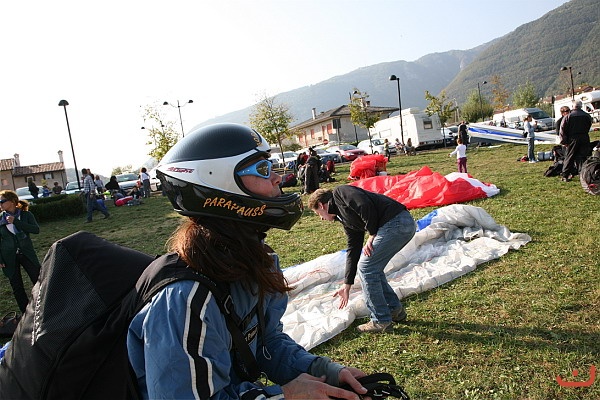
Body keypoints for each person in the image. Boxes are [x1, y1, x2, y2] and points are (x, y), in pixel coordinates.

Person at [127, 123, 368, 399]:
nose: (277, 178)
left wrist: (322, 371)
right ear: (218, 185)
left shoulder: (257, 261)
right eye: (263, 169)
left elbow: (264, 341)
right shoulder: (185, 299)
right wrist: (285, 396)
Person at [308, 185, 416, 333]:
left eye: (318, 213)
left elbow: (364, 204)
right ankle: (394, 310)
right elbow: (353, 249)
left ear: (321, 205)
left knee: (367, 268)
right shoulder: (345, 218)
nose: (321, 218)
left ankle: (380, 320)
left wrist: (372, 234)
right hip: (400, 224)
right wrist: (347, 284)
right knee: (372, 268)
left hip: (396, 222)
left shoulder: (340, 193)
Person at [0, 190, 42, 314]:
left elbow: (36, 230)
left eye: (2, 201)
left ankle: (44, 307)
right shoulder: (1, 218)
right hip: (8, 256)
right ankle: (26, 314)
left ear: (12, 201)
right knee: (17, 287)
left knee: (38, 280)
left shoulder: (26, 215)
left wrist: (16, 221)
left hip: (26, 253)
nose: (0, 204)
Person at [559, 99, 592, 182]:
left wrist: (564, 141)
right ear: (581, 106)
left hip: (572, 138)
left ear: (573, 106)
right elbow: (589, 125)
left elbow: (562, 130)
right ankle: (583, 175)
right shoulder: (587, 116)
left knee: (569, 156)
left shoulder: (568, 116)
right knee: (583, 157)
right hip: (584, 137)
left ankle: (565, 175)